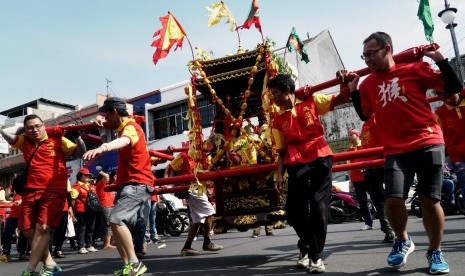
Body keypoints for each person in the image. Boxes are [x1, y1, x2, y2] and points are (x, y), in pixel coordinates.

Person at [347, 32, 462, 274]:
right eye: (364, 55)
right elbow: (365, 115)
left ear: (387, 49)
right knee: (393, 199)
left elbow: (453, 87)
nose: (367, 59)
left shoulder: (415, 69)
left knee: (430, 201)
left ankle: (435, 251)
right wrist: (354, 90)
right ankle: (403, 239)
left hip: (428, 140)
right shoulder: (368, 84)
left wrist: (440, 60)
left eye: (371, 53)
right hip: (396, 149)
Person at [269, 73, 351, 273]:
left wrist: (344, 82)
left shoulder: (311, 101)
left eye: (276, 93)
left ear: (287, 91)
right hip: (295, 164)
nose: (274, 99)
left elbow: (340, 99)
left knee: (317, 205)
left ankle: (315, 256)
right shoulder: (277, 121)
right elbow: (281, 153)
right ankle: (305, 245)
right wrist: (279, 175)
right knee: (293, 212)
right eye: (272, 95)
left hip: (320, 157)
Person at [0, 114, 86, 276]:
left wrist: (78, 139)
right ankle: (50, 263)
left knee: (43, 228)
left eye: (38, 126)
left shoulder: (58, 139)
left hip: (53, 191)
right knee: (27, 230)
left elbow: (79, 153)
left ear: (44, 125)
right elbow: (4, 132)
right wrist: (22, 129)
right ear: (25, 130)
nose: (35, 130)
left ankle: (30, 269)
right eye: (30, 127)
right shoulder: (24, 142)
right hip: (30, 191)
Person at [82, 97, 155, 276]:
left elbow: (124, 141)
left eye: (107, 116)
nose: (106, 120)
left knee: (115, 220)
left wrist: (102, 148)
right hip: (130, 184)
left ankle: (134, 264)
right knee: (115, 223)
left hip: (137, 183)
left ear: (114, 112)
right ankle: (127, 266)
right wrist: (99, 123)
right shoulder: (122, 126)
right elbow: (112, 131)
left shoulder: (131, 127)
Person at [164, 145, 223, 257]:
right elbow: (169, 168)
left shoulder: (204, 159)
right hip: (191, 187)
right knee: (210, 212)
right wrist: (167, 184)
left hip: (200, 187)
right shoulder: (184, 155)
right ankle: (207, 242)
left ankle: (187, 247)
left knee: (197, 220)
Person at [359, 114, 395, 243]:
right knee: (379, 201)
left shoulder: (377, 116)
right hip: (370, 166)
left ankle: (394, 230)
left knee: (392, 197)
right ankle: (389, 230)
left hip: (382, 162)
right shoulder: (365, 124)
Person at [435, 92, 465, 207]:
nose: (447, 100)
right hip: (458, 156)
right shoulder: (439, 114)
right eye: (443, 97)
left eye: (450, 95)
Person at [346, 129, 373, 231]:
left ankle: (386, 222)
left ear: (357, 135)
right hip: (357, 179)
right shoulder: (349, 150)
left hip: (368, 176)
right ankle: (368, 222)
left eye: (351, 134)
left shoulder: (365, 146)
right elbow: (348, 167)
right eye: (349, 135)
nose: (349, 137)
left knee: (377, 199)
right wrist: (350, 180)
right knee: (362, 202)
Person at [71, 168, 100, 254]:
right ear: (80, 176)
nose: (88, 176)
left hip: (92, 210)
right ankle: (81, 246)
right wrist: (72, 212)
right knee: (82, 228)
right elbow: (73, 200)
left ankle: (89, 245)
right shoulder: (76, 187)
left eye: (89, 175)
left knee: (91, 227)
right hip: (81, 210)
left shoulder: (91, 186)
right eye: (86, 175)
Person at [95, 171, 116, 250]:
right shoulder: (100, 184)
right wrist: (99, 170)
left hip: (110, 206)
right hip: (105, 206)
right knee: (108, 225)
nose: (108, 179)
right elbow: (106, 176)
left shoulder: (108, 185)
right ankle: (107, 244)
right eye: (107, 178)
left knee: (111, 224)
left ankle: (109, 242)